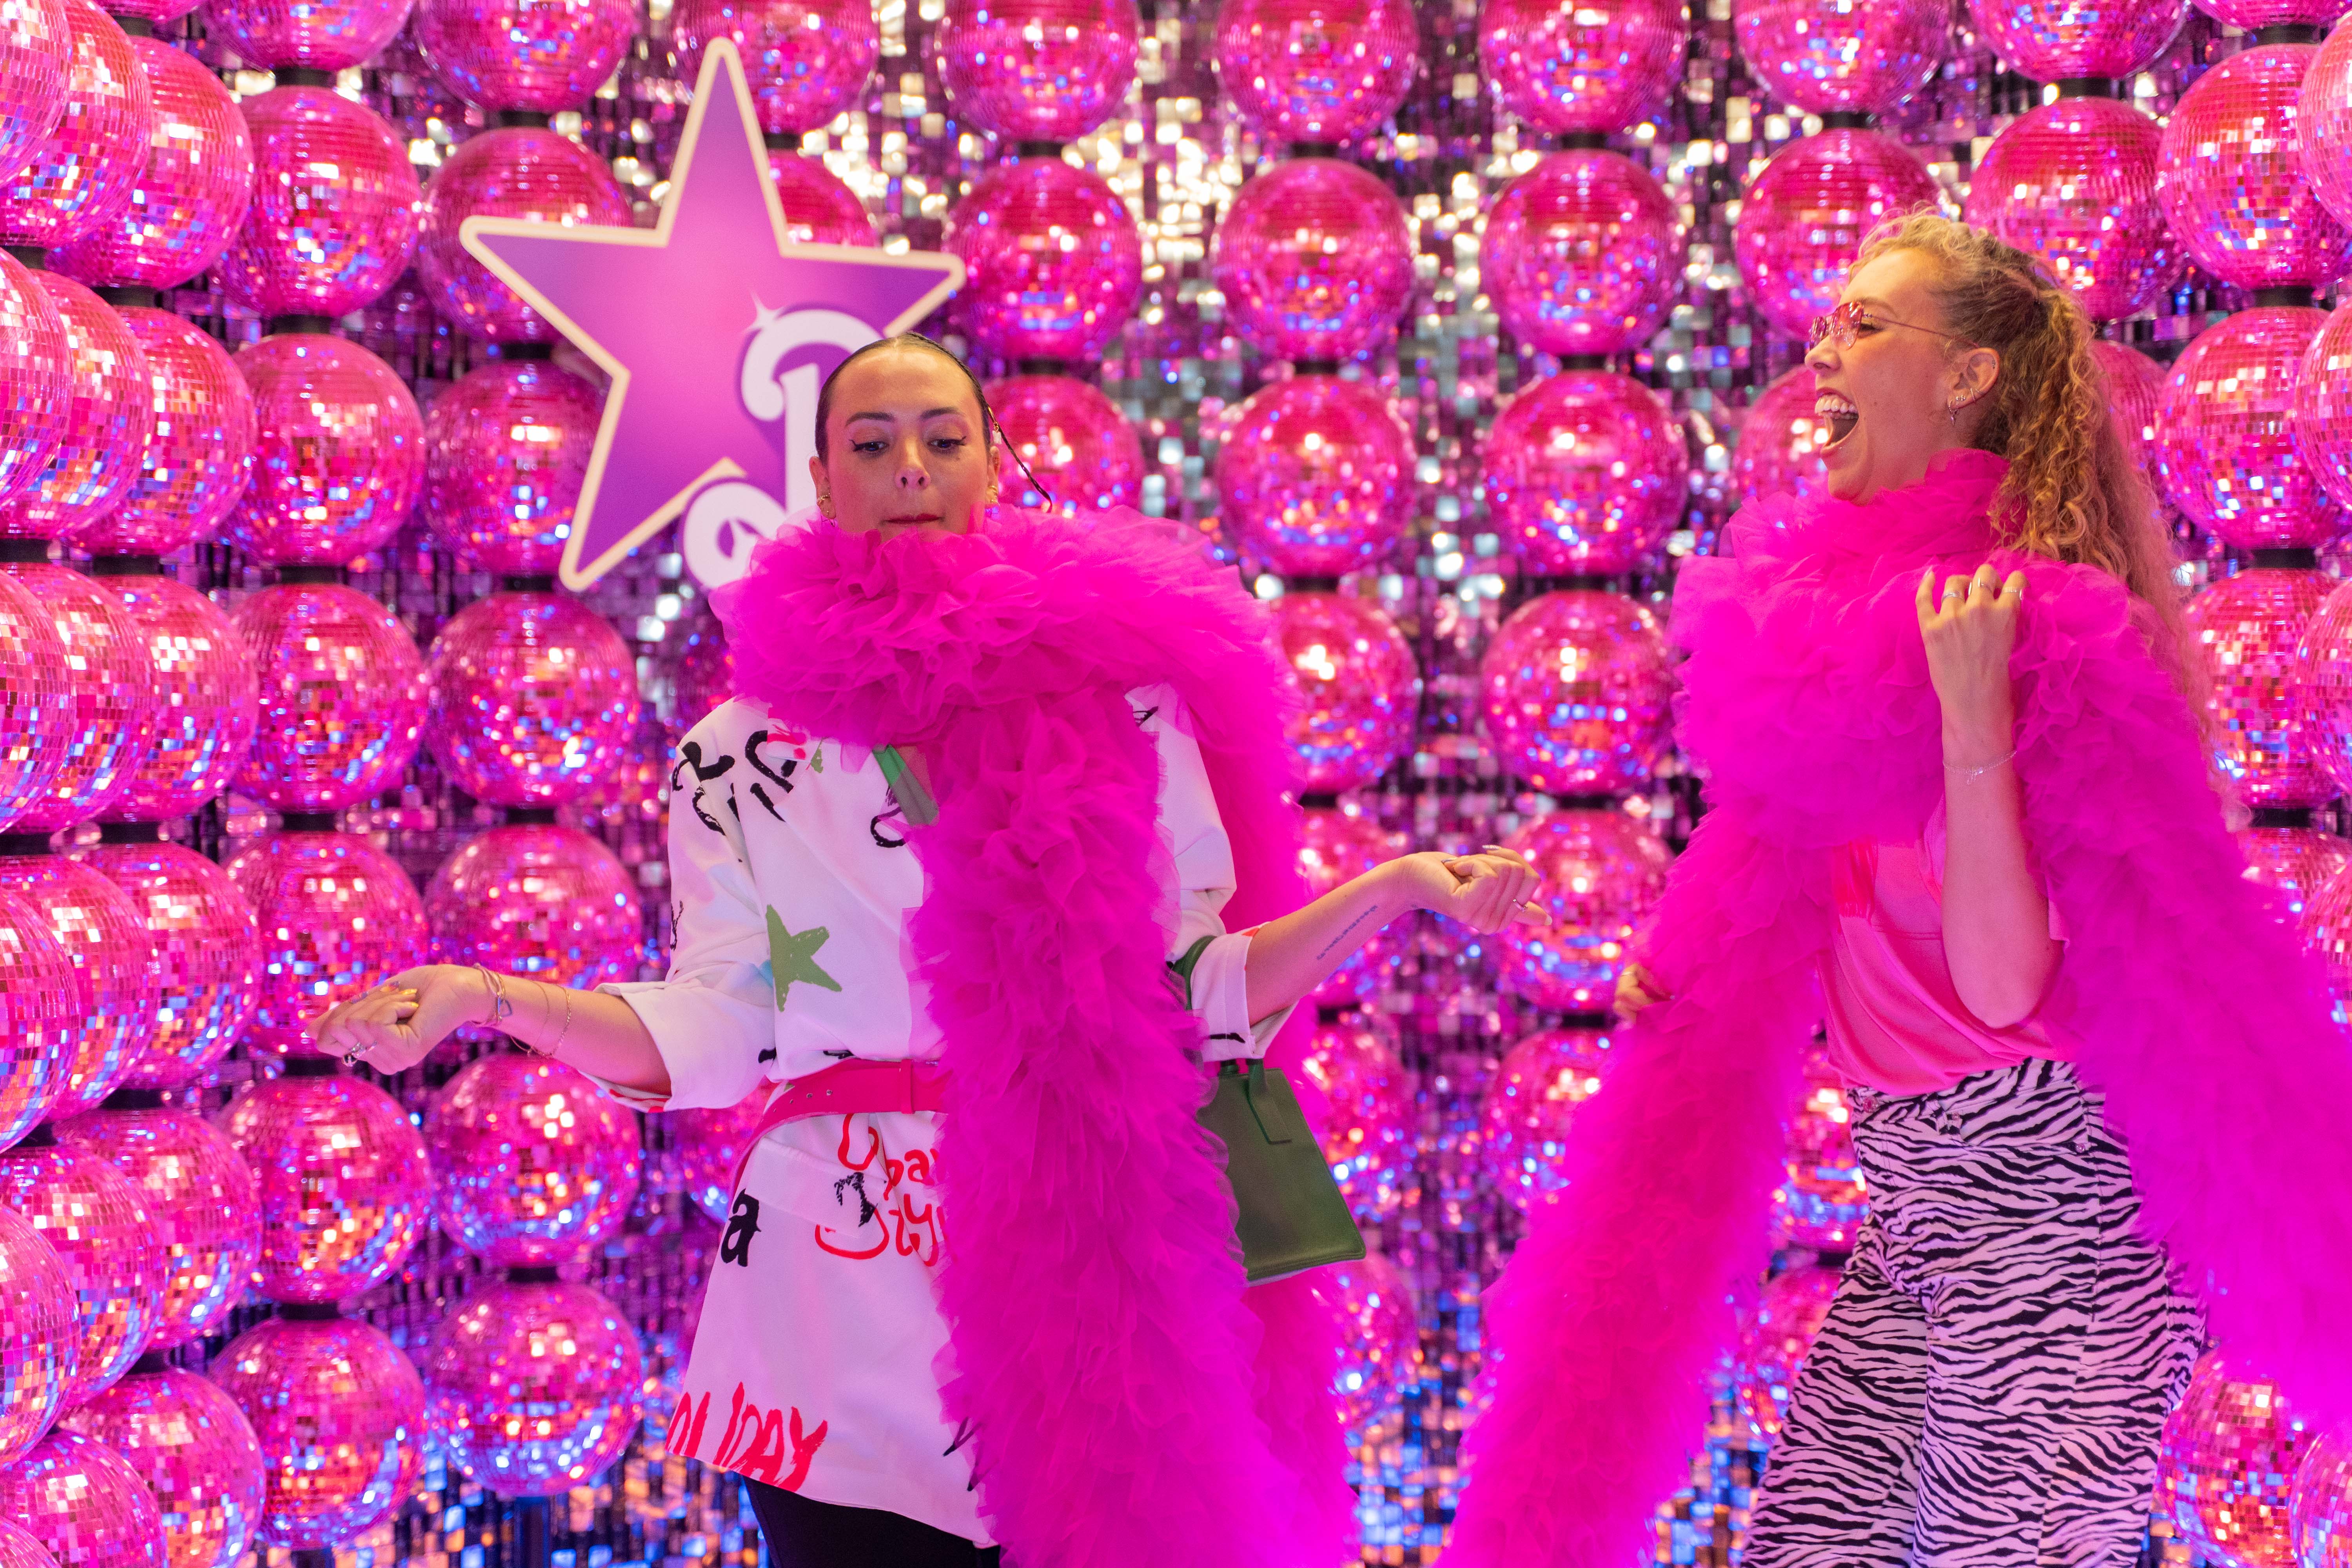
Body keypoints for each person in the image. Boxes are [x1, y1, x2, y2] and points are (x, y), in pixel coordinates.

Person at [309, 334, 1542, 1568]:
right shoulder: (742, 751)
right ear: (821, 475)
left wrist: (1386, 892)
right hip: (830, 1306)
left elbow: (1193, 998)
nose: (911, 466)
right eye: (873, 442)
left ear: (992, 467)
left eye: (943, 439)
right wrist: (488, 996)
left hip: (1084, 1262)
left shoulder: (1122, 709)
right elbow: (722, 1030)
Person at [1443, 214, 2352, 1568]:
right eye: (1827, 327)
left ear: (1971, 375)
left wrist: (1975, 724)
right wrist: (1688, 972)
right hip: (1918, 1206)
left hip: (2059, 1227)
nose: (1824, 356)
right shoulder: (1845, 630)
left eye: (1865, 327)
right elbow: (1786, 869)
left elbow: (2001, 993)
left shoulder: (2049, 628)